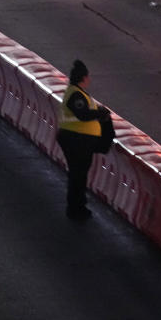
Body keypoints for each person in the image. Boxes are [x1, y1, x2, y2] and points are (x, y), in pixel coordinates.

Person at [56, 60, 109, 221]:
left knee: (78, 174)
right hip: (75, 140)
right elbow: (82, 114)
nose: (89, 80)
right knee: (77, 175)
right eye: (88, 77)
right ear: (83, 78)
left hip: (77, 140)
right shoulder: (76, 95)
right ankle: (76, 208)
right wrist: (100, 114)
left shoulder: (76, 92)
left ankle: (78, 205)